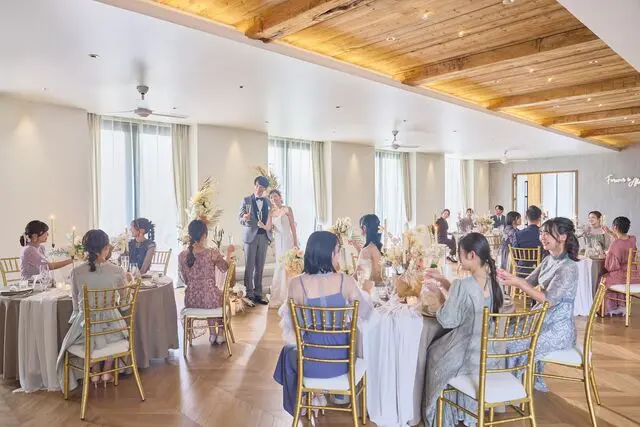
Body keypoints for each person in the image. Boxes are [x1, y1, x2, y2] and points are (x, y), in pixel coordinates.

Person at [273, 231, 372, 417]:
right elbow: (366, 313)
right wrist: (365, 292)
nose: (338, 255)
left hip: (309, 364)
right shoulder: (345, 281)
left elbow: (292, 328)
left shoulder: (295, 283)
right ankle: (320, 395)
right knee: (289, 352)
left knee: (288, 352)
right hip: (342, 364)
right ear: (329, 253)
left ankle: (307, 396)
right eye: (337, 251)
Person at [422, 233, 503, 426]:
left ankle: (445, 414)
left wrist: (439, 296)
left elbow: (447, 320)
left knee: (432, 353)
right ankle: (463, 410)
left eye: (460, 254)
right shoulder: (495, 282)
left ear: (471, 255)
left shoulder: (462, 284)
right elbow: (470, 298)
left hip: (465, 352)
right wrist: (443, 282)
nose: (458, 258)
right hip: (487, 353)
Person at [498, 217, 579, 391]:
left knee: (512, 343)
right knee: (506, 333)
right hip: (542, 318)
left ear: (563, 237)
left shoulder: (568, 267)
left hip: (558, 327)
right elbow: (528, 281)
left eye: (547, 233)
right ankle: (507, 386)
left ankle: (512, 389)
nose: (542, 236)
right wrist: (506, 277)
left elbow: (548, 300)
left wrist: (519, 283)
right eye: (541, 232)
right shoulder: (549, 259)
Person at [56, 229, 129, 390]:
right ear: (106, 248)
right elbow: (124, 305)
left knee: (88, 330)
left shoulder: (76, 272)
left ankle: (94, 368)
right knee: (115, 330)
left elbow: (76, 307)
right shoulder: (118, 271)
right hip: (111, 324)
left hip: (86, 324)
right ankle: (107, 369)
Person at [179, 220, 235, 343]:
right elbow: (225, 268)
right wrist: (229, 252)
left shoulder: (182, 255)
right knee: (218, 297)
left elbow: (185, 279)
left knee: (210, 295)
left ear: (190, 235)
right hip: (209, 299)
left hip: (191, 300)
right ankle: (220, 333)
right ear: (204, 235)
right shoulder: (212, 253)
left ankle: (212, 333)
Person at [239, 176, 272, 305]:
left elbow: (272, 219)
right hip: (250, 238)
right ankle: (249, 294)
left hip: (263, 237)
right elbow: (240, 217)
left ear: (265, 189)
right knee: (249, 266)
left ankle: (258, 294)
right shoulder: (246, 200)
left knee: (260, 267)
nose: (259, 189)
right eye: (257, 186)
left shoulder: (268, 202)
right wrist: (244, 218)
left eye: (262, 187)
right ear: (254, 186)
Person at [266, 189, 298, 308]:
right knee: (280, 266)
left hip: (288, 239)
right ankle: (279, 297)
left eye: (275, 196)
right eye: (271, 197)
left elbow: (293, 227)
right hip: (278, 241)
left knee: (289, 266)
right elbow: (268, 227)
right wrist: (262, 225)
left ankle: (291, 296)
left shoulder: (287, 209)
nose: (274, 199)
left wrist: (295, 243)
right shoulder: (271, 212)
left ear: (280, 197)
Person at [602, 216, 639, 316]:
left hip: (622, 275)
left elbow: (610, 266)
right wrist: (610, 232)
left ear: (615, 227)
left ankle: (610, 308)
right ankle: (621, 305)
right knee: (612, 276)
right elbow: (622, 240)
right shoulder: (632, 239)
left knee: (604, 279)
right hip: (634, 274)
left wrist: (607, 254)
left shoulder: (615, 244)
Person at [513, 205, 545, 275]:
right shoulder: (544, 234)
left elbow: (515, 255)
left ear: (526, 217)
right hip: (541, 271)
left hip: (522, 271)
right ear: (539, 219)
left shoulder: (518, 234)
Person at [356, 214, 383, 284]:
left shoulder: (368, 249)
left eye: (361, 228)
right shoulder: (375, 247)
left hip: (367, 287)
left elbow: (356, 275)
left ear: (364, 228)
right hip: (371, 286)